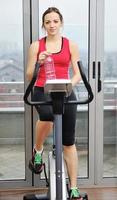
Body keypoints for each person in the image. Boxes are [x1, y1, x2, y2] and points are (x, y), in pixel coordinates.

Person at [26, 7, 82, 200]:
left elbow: (77, 73)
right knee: (48, 116)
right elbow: (28, 75)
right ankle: (38, 149)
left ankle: (73, 188)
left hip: (65, 90)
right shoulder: (36, 46)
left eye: (55, 21)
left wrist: (69, 86)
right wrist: (38, 64)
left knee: (69, 141)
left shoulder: (70, 45)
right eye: (48, 22)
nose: (52, 25)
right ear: (44, 25)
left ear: (61, 23)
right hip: (42, 89)